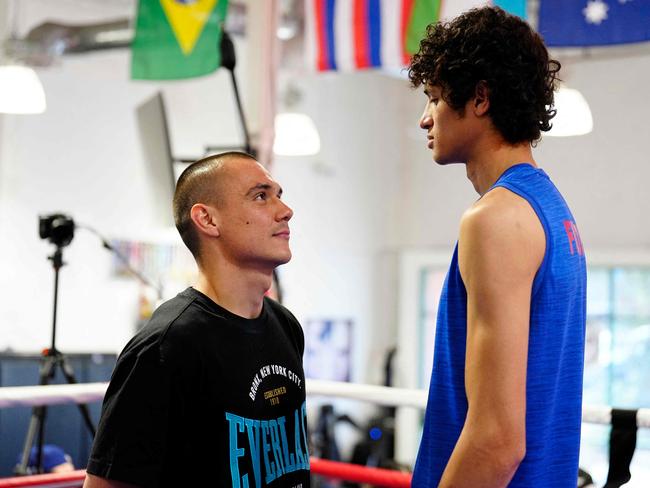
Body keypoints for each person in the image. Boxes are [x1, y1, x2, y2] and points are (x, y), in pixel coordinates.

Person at [408, 7, 586, 487]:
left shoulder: (496, 218)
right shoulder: (551, 209)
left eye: (436, 98)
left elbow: (497, 440)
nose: (425, 119)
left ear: (480, 98)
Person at [83, 152, 310, 488]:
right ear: (208, 220)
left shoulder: (285, 326)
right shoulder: (166, 346)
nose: (285, 210)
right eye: (261, 196)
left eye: (280, 195)